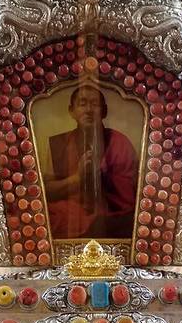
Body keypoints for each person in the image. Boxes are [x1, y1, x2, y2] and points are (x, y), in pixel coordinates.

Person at [44, 84, 139, 239]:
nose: (88, 110)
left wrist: (102, 174)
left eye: (95, 104)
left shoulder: (120, 142)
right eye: (82, 104)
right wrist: (78, 178)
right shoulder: (57, 144)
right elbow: (47, 191)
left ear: (104, 111)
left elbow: (129, 196)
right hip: (70, 215)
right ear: (71, 111)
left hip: (112, 216)